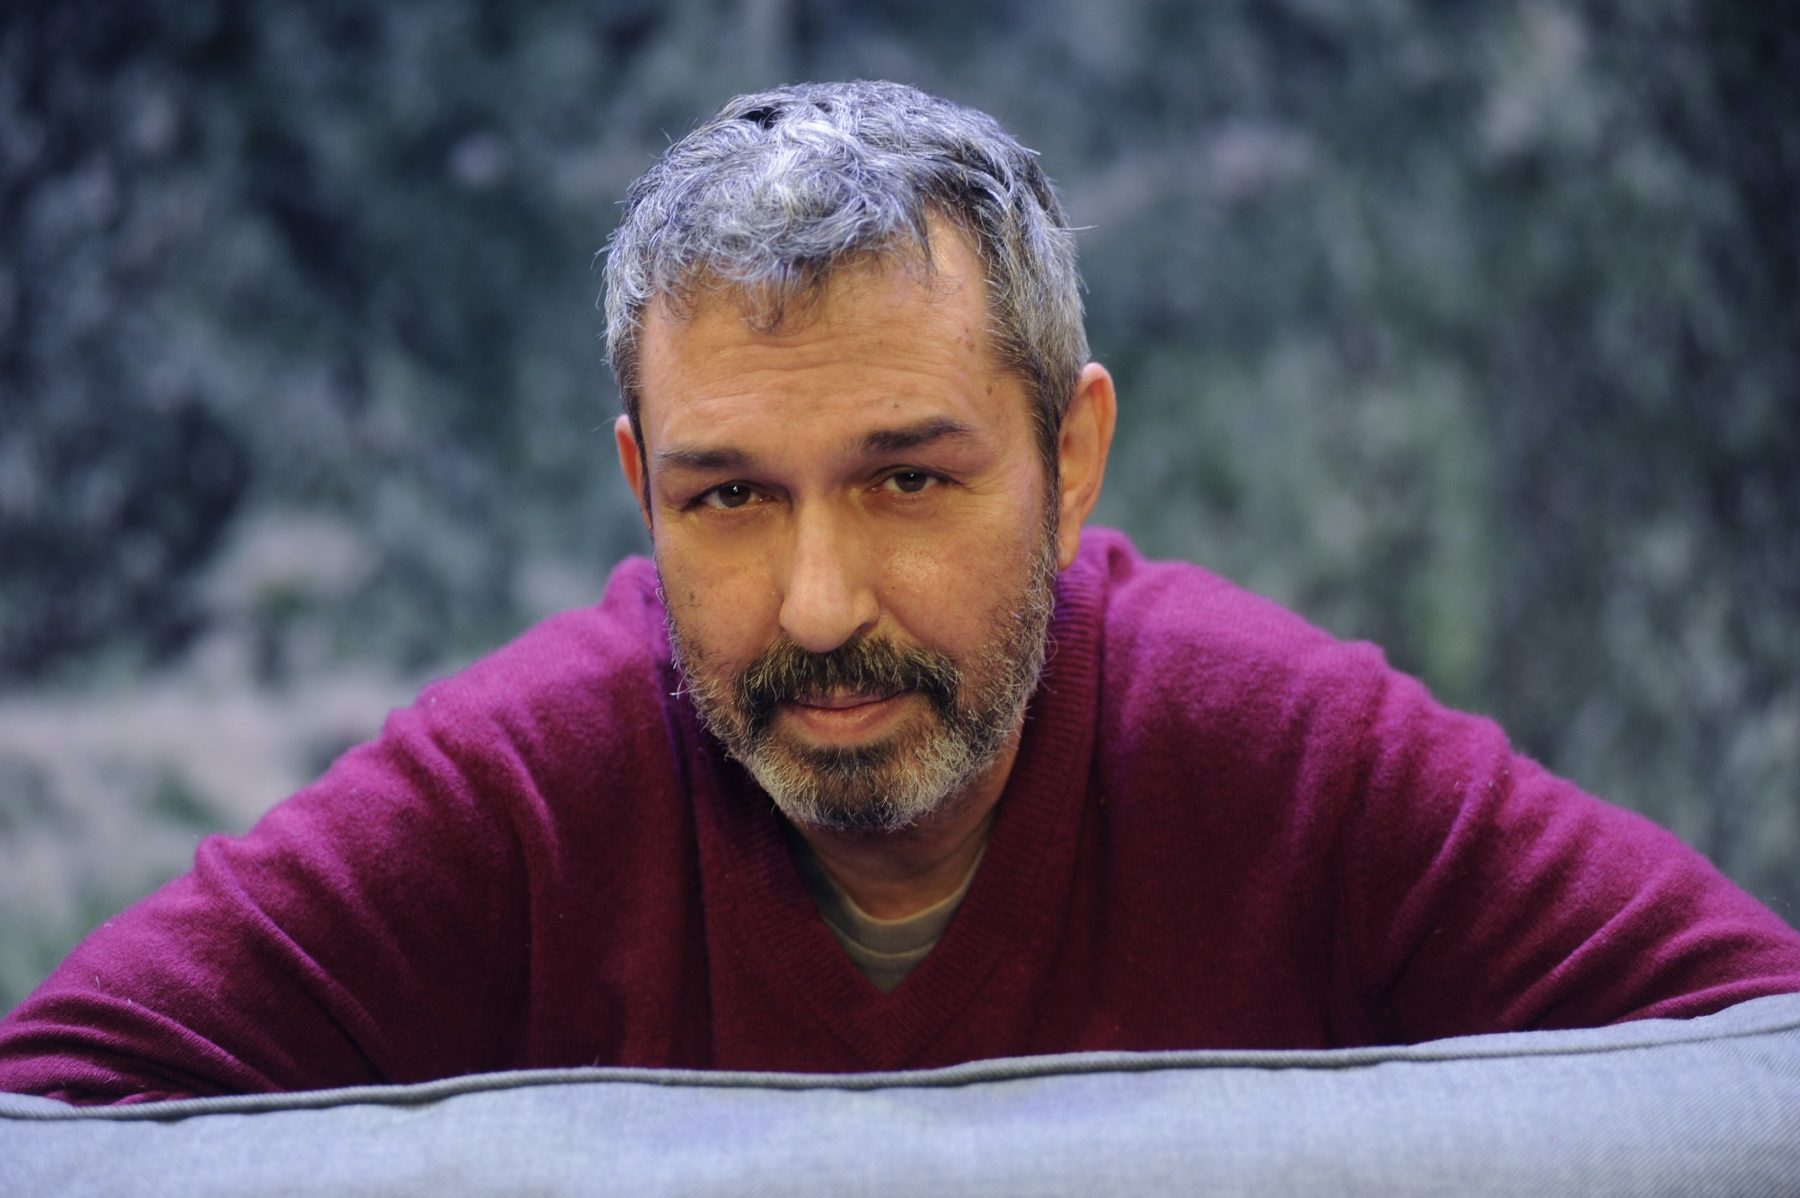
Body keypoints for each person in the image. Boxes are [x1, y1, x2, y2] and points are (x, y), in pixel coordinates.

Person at [3, 80, 1797, 1105]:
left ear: (1072, 458)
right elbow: (55, 1109)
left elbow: (1754, 1062)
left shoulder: (1285, 756)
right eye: (727, 498)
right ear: (639, 492)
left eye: (909, 479)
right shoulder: (527, 793)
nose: (813, 604)